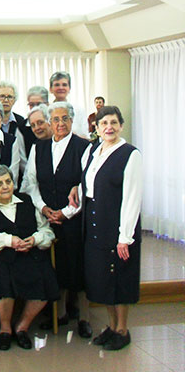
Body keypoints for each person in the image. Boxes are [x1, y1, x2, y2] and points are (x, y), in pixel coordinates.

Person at [72, 106, 142, 350]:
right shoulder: (93, 150)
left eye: (113, 122)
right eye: (104, 123)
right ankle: (112, 327)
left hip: (117, 226)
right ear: (97, 127)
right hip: (94, 224)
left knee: (119, 278)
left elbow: (132, 198)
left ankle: (122, 330)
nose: (109, 127)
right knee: (103, 279)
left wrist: (125, 237)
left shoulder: (130, 154)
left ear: (121, 125)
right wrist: (74, 192)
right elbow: (86, 185)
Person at [21, 103, 92, 338]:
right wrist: (43, 207)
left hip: (73, 218)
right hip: (46, 217)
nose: (60, 124)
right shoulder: (38, 148)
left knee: (78, 266)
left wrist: (66, 212)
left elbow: (86, 184)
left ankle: (84, 318)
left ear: (71, 120)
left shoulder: (83, 147)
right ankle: (59, 314)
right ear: (50, 123)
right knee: (55, 266)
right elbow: (31, 182)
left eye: (65, 119)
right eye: (56, 119)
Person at [0, 164, 58, 351]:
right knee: (1, 279)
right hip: (0, 257)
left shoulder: (27, 201)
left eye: (8, 182)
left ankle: (22, 327)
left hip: (29, 255)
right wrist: (7, 240)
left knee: (45, 277)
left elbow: (46, 231)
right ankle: (5, 329)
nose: (5, 187)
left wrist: (34, 239)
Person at [49, 71, 89, 138]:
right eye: (57, 85)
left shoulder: (79, 110)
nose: (61, 88)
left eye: (64, 85)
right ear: (50, 89)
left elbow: (85, 136)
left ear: (69, 88)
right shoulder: (46, 111)